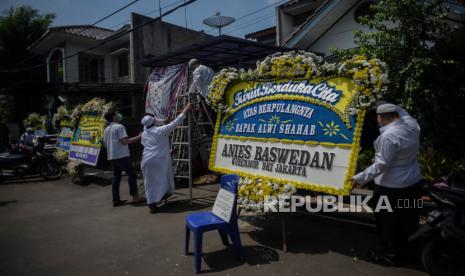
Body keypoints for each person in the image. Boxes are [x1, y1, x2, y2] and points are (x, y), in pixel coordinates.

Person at [352, 103, 422, 265]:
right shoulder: (412, 125)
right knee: (408, 218)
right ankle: (408, 250)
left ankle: (390, 255)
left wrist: (359, 178)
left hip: (392, 186)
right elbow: (404, 112)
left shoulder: (388, 136)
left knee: (387, 221)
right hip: (413, 182)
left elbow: (381, 165)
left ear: (379, 118)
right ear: (396, 114)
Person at [140, 103, 192, 213]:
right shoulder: (160, 130)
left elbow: (152, 146)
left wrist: (169, 151)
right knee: (162, 180)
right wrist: (185, 110)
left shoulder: (144, 134)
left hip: (147, 160)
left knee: (150, 183)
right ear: (153, 122)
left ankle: (152, 203)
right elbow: (175, 123)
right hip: (158, 161)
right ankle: (157, 200)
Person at [103, 110, 144, 207]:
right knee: (132, 175)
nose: (119, 115)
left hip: (112, 156)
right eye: (117, 114)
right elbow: (124, 141)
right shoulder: (119, 127)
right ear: (113, 117)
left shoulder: (106, 129)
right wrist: (139, 136)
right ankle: (135, 198)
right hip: (121, 156)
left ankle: (116, 200)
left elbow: (105, 144)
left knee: (116, 177)